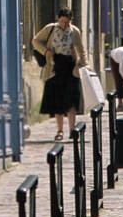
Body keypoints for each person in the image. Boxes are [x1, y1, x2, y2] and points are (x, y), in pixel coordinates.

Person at [33, 8, 86, 140]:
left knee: (71, 101)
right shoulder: (50, 29)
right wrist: (45, 51)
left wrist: (84, 65)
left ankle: (72, 130)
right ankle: (60, 130)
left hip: (71, 68)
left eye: (66, 22)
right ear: (58, 19)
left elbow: (81, 49)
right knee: (58, 101)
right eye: (62, 22)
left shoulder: (74, 31)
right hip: (55, 67)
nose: (64, 25)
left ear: (70, 20)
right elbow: (36, 41)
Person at [109, 42, 123, 110]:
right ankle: (120, 103)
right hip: (114, 58)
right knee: (119, 80)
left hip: (121, 57)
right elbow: (121, 70)